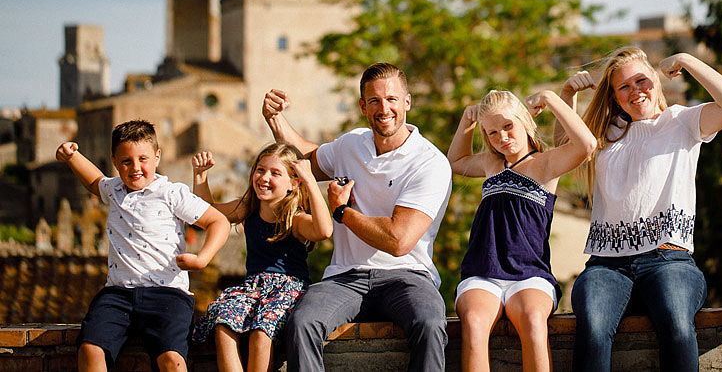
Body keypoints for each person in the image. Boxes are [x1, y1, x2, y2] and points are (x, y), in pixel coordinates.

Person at [559, 48, 722, 372]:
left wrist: (687, 61)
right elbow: (565, 148)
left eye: (641, 80)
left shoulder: (681, 121)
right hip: (608, 266)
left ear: (657, 82)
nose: (635, 91)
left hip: (668, 260)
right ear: (616, 97)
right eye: (624, 87)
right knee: (591, 326)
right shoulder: (607, 135)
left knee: (676, 324)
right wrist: (566, 95)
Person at [261, 62, 453, 372]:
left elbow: (398, 241)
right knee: (302, 322)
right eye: (375, 100)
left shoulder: (429, 162)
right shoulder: (351, 144)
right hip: (346, 276)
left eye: (391, 99)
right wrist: (275, 118)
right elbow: (307, 157)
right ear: (363, 106)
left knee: (430, 324)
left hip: (407, 275)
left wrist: (342, 212)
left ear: (407, 102)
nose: (384, 108)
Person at [55, 119, 229, 372]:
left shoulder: (172, 193)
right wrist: (72, 157)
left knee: (172, 359)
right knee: (90, 349)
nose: (135, 168)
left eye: (143, 159)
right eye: (126, 161)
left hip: (168, 294)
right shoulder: (114, 188)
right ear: (115, 161)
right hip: (118, 294)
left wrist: (202, 258)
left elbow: (218, 221)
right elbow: (94, 182)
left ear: (157, 157)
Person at [448, 89, 598, 372]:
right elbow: (455, 162)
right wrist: (466, 122)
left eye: (508, 126)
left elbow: (587, 144)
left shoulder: (546, 163)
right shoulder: (491, 164)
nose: (502, 137)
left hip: (530, 275)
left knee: (532, 320)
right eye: (492, 132)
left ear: (525, 121)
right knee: (474, 323)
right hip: (483, 272)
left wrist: (552, 99)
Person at [190, 143, 334, 372]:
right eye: (260, 169)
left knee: (261, 332)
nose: (264, 177)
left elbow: (324, 230)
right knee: (223, 324)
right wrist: (200, 176)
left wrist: (309, 180)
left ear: (293, 183)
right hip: (253, 287)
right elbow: (206, 215)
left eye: (275, 173)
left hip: (287, 289)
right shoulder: (247, 208)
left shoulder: (295, 220)